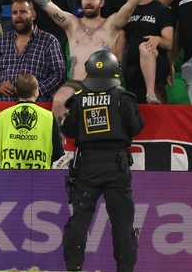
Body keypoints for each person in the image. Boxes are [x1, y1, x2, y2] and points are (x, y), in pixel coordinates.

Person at [12, 0, 155, 120]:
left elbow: (130, 6)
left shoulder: (111, 24)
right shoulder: (72, 24)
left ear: (101, 3)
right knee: (59, 100)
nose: (88, 1)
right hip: (76, 84)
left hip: (107, 83)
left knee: (124, 101)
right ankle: (61, 143)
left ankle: (120, 144)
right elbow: (48, 4)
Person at [62, 50, 144, 272]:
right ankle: (125, 268)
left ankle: (74, 266)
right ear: (114, 71)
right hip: (116, 167)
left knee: (79, 221)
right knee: (123, 224)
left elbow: (67, 129)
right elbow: (137, 127)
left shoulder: (78, 99)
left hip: (87, 168)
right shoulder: (124, 98)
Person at [0, 0, 66, 102]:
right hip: (3, 106)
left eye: (23, 12)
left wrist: (36, 89)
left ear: (33, 15)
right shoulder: (0, 42)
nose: (18, 16)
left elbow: (59, 75)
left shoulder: (49, 41)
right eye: (14, 13)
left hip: (36, 106)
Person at [117, 0, 174, 104]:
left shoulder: (162, 10)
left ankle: (151, 94)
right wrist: (116, 69)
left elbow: (169, 43)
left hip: (157, 62)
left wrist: (158, 39)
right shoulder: (127, 11)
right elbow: (121, 42)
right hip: (133, 64)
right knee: (138, 105)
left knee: (145, 47)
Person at [0, 73, 64, 169]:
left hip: (9, 176)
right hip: (39, 176)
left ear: (16, 90)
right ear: (35, 92)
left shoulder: (3, 115)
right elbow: (57, 152)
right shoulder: (48, 116)